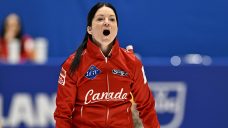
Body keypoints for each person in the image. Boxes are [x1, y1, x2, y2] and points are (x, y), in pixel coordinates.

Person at [54, 2, 160, 128]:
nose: (106, 22)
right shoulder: (72, 64)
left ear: (117, 28)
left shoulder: (132, 63)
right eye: (100, 19)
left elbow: (147, 107)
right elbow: (63, 114)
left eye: (112, 19)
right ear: (89, 29)